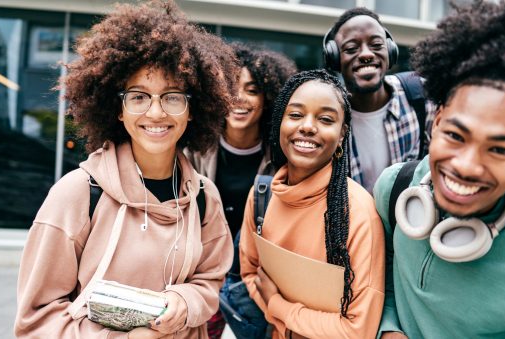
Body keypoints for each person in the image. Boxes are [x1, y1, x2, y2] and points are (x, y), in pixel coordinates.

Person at [14, 1, 236, 338]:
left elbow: (209, 281)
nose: (156, 112)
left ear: (192, 110)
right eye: (139, 96)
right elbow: (36, 320)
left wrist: (184, 300)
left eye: (172, 97)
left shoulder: (204, 197)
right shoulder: (78, 193)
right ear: (119, 109)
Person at [374, 1, 505, 338]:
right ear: (438, 119)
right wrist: (387, 328)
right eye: (455, 135)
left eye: (500, 149)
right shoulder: (394, 187)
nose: (466, 166)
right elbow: (380, 273)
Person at [240, 69, 385, 338]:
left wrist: (280, 309)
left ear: (342, 134)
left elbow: (358, 330)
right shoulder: (262, 196)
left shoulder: (358, 213)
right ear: (279, 123)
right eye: (295, 115)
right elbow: (250, 274)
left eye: (325, 119)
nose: (307, 126)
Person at [187, 42, 296, 339]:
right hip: (201, 274)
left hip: (253, 284)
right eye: (231, 87)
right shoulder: (193, 149)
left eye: (252, 89)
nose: (239, 98)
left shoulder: (283, 157)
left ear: (268, 99)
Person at [324, 7, 437, 193]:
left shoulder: (422, 96)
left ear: (390, 51)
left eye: (376, 45)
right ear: (334, 59)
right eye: (351, 48)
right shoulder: (328, 115)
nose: (367, 54)